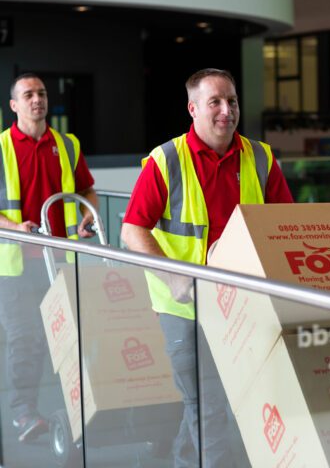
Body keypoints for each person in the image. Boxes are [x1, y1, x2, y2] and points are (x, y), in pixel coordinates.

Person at [121, 68, 293, 467]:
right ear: (192, 108)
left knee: (215, 404)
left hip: (244, 305)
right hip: (185, 308)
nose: (225, 110)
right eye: (214, 101)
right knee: (210, 407)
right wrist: (175, 276)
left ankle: (183, 460)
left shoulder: (261, 157)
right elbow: (132, 230)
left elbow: (284, 223)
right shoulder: (166, 160)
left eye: (231, 101)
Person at [0, 73, 98, 443]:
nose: (36, 99)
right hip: (16, 265)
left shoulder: (67, 145)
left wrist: (89, 213)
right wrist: (13, 226)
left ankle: (78, 408)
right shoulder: (2, 147)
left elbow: (87, 187)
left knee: (69, 338)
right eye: (28, 95)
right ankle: (23, 413)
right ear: (14, 105)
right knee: (25, 340)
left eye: (40, 93)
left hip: (61, 259)